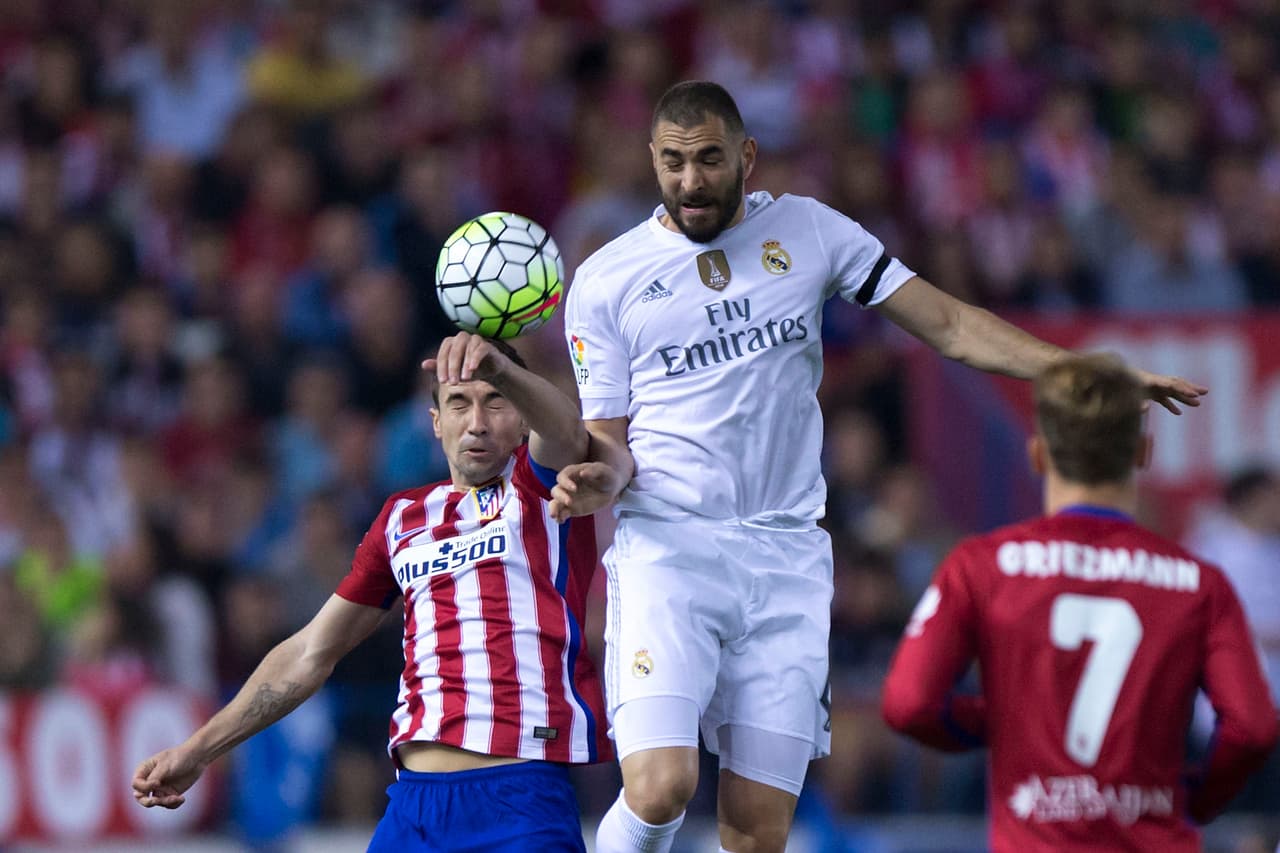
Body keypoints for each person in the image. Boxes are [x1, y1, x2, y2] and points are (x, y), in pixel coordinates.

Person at [551, 80, 1208, 853]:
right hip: (671, 549)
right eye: (672, 162)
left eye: (707, 159)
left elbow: (952, 324)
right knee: (661, 788)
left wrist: (1084, 372)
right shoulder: (607, 280)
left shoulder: (809, 232)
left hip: (787, 558)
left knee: (757, 832)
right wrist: (599, 477)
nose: (690, 180)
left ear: (746, 157)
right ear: (651, 160)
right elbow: (609, 443)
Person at [133, 333, 611, 852]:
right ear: (435, 423)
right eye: (458, 403)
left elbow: (566, 428)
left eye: (495, 402)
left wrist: (504, 372)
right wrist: (198, 751)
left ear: (521, 421)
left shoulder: (542, 488)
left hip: (523, 798)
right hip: (415, 807)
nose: (476, 422)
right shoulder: (402, 518)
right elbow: (310, 652)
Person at [881, 355, 1278, 852]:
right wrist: (1196, 799)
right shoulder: (1197, 582)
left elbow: (908, 704)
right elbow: (1253, 727)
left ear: (1038, 455)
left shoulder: (982, 566)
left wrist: (1000, 718)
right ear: (1142, 451)